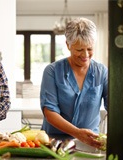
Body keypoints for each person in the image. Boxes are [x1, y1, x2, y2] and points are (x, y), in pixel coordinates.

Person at [40, 17, 107, 149]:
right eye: (79, 50)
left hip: (90, 142)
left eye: (89, 48)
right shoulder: (52, 71)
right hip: (55, 142)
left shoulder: (102, 72)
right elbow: (50, 112)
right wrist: (77, 133)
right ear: (68, 45)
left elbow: (114, 108)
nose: (85, 55)